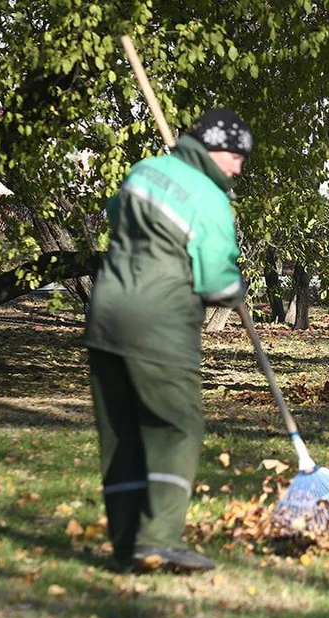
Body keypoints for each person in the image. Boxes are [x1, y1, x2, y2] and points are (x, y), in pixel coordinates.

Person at [84, 108, 252, 572]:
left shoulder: (142, 172)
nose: (239, 168)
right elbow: (217, 284)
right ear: (215, 149)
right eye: (237, 157)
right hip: (159, 323)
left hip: (105, 315)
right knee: (176, 426)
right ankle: (156, 539)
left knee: (120, 433)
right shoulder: (210, 199)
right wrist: (237, 286)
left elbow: (115, 216)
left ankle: (125, 545)